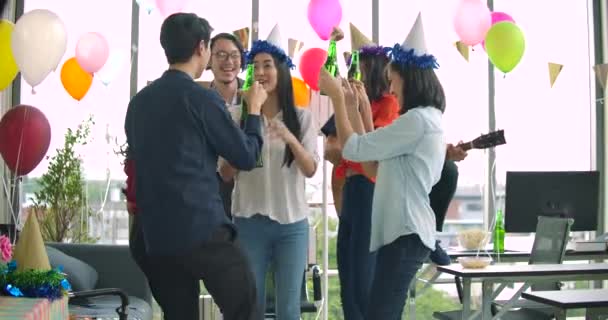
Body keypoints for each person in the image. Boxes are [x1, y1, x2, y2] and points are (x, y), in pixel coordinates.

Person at [124, 13, 266, 320]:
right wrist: (253, 112)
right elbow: (246, 156)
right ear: (202, 48)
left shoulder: (139, 104)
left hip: (155, 238)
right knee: (246, 310)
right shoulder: (200, 99)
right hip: (201, 230)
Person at [318, 13, 446, 319]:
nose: (391, 87)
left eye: (393, 80)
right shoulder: (421, 120)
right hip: (401, 234)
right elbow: (373, 165)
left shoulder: (417, 121)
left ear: (408, 78)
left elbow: (354, 148)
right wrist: (358, 108)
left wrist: (337, 97)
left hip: (405, 234)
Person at [219, 24, 319, 320]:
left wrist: (289, 138)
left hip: (292, 225)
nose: (260, 72)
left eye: (268, 65)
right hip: (249, 222)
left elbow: (311, 169)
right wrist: (250, 120)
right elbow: (225, 174)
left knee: (289, 310)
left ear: (282, 71)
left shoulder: (302, 118)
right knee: (252, 305)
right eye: (256, 66)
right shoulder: (236, 115)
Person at [322, 24, 399, 320]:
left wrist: (347, 141)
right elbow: (333, 146)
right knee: (348, 276)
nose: (355, 72)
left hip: (369, 190)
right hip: (351, 190)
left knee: (364, 276)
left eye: (360, 66)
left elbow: (368, 148)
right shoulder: (352, 101)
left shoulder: (387, 104)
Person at [198, 32, 247, 219]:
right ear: (209, 59)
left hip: (249, 186)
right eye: (221, 55)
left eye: (234, 55)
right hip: (211, 191)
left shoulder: (254, 96)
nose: (229, 61)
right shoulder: (198, 100)